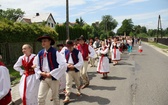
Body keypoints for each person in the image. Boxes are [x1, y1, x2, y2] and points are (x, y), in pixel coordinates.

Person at [34, 34, 67, 105]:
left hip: (53, 78)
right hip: (44, 78)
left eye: (45, 41)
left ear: (49, 42)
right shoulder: (40, 53)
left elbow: (63, 65)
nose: (43, 43)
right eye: (42, 41)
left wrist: (51, 73)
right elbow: (36, 65)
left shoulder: (55, 52)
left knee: (55, 97)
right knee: (40, 98)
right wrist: (40, 72)